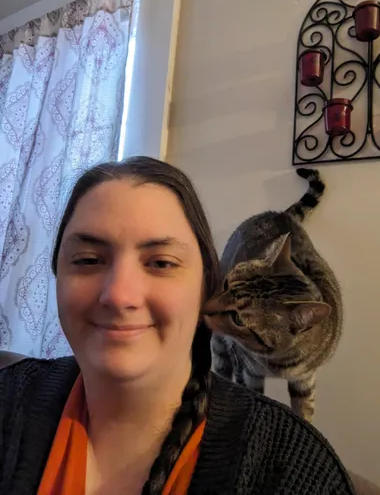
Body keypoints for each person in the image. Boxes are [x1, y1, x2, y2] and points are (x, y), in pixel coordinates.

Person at [0, 157, 356, 495]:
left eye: (161, 263)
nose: (120, 295)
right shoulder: (8, 400)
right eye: (88, 260)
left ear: (206, 286)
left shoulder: (293, 467)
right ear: (56, 276)